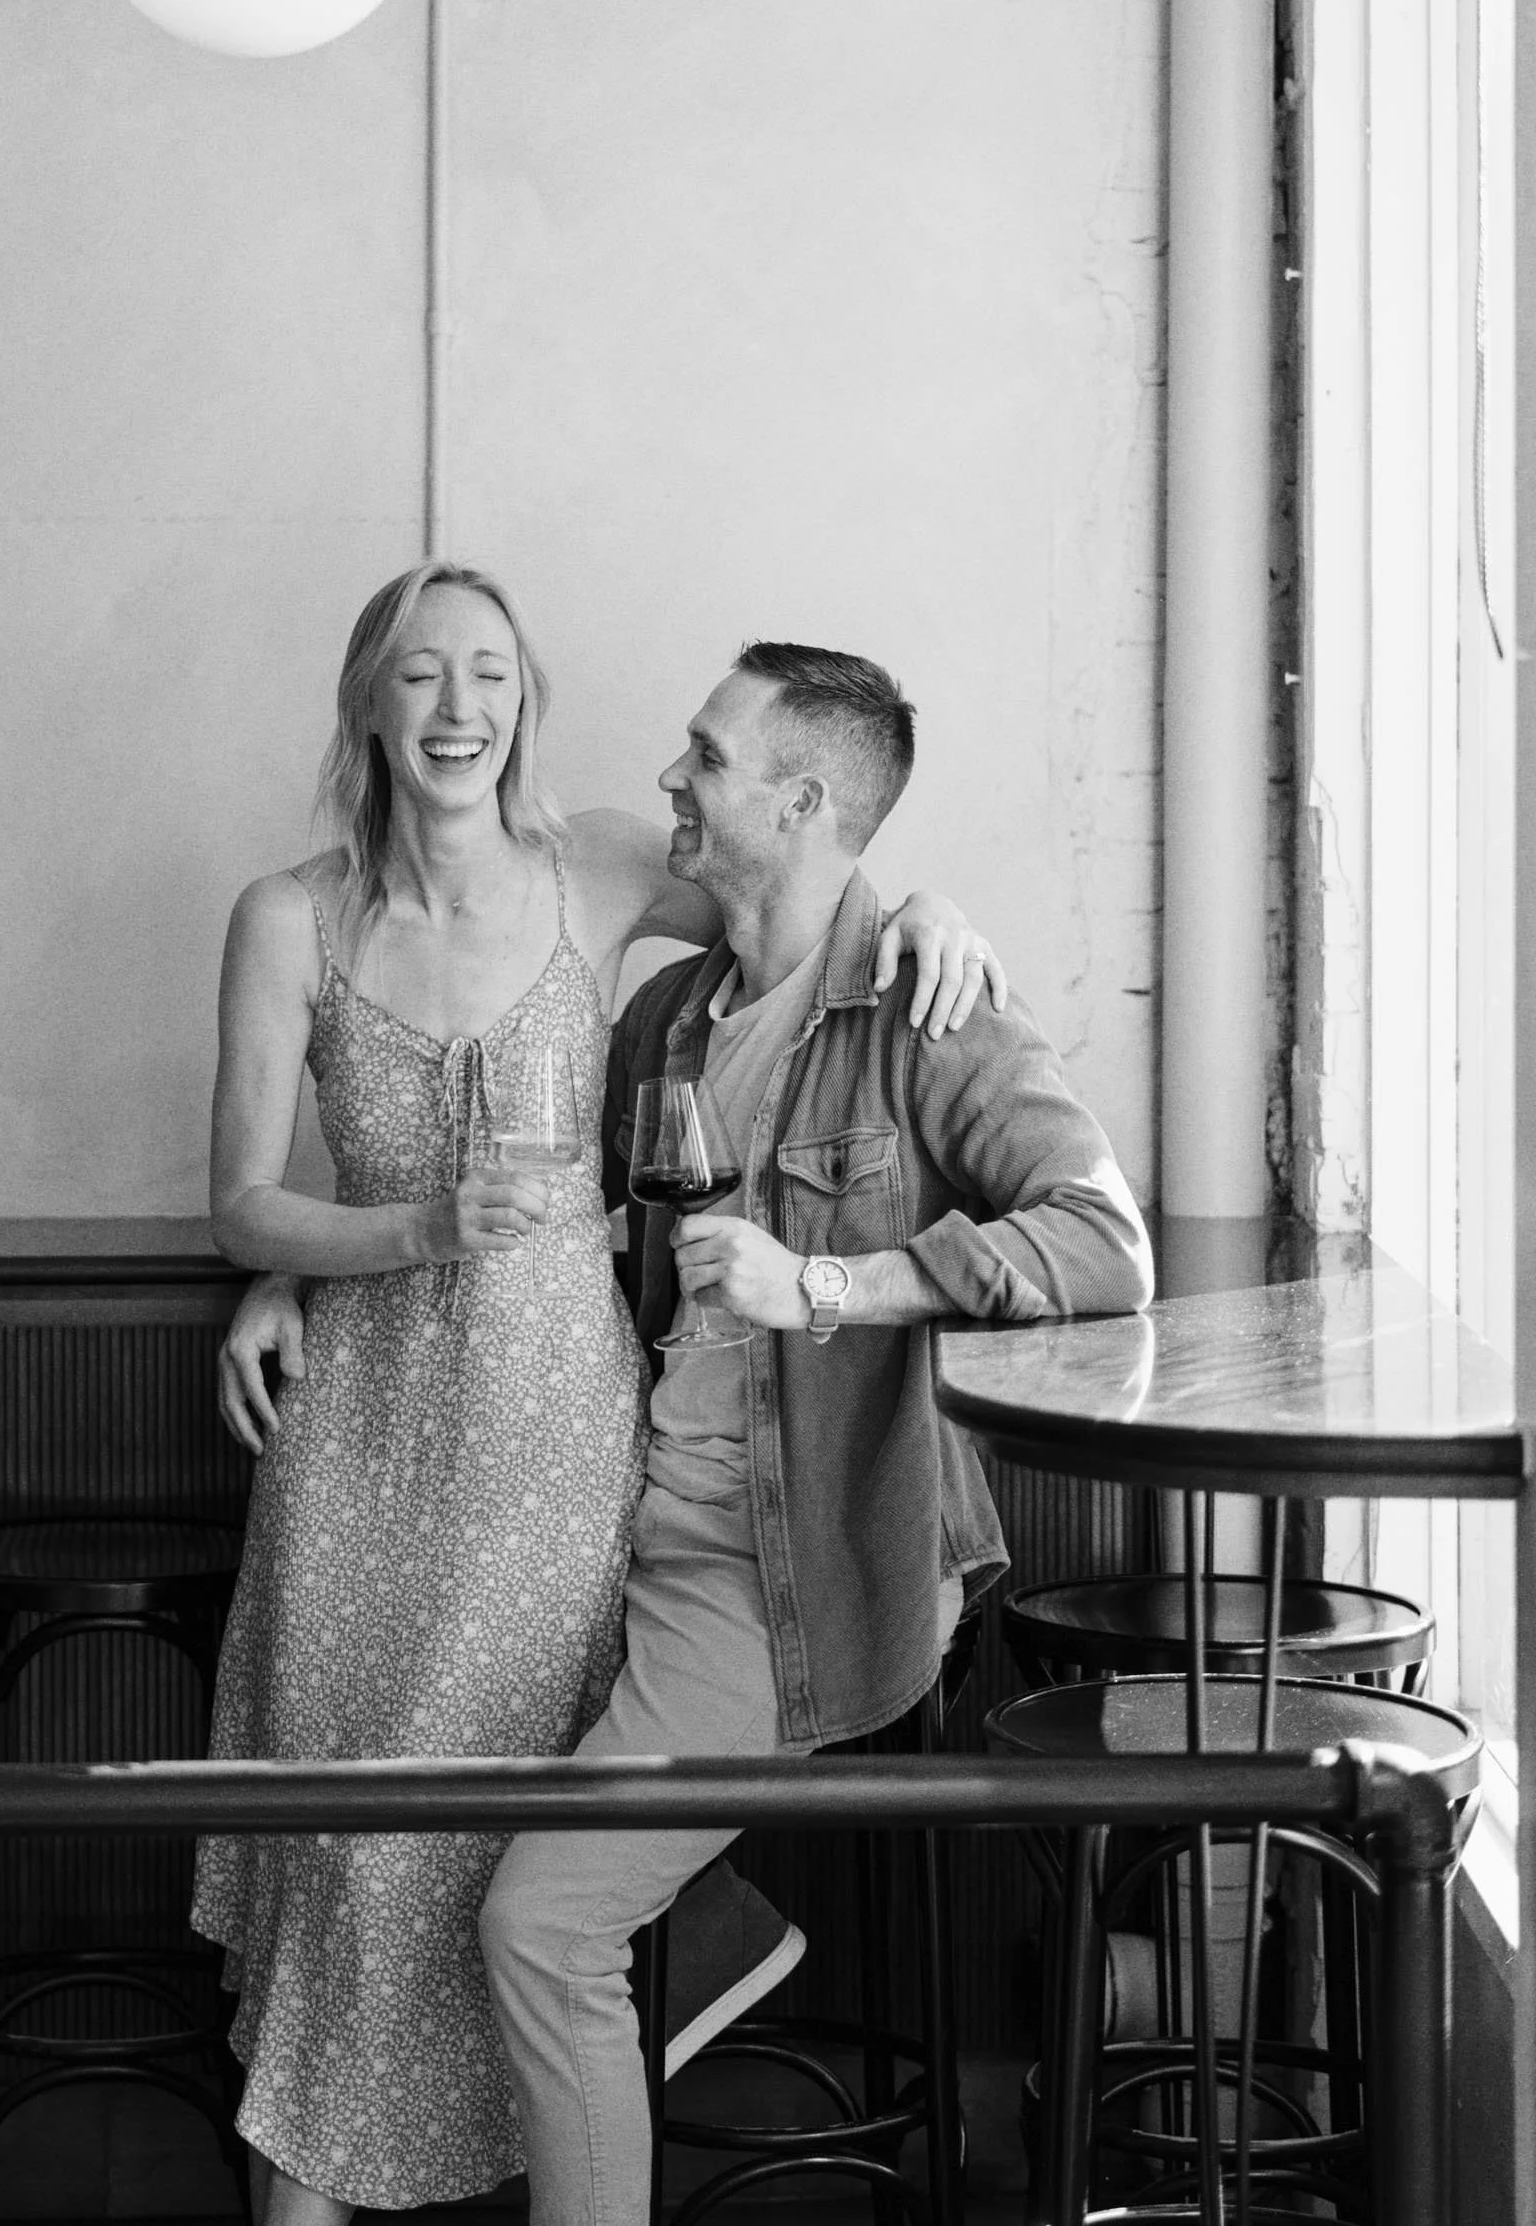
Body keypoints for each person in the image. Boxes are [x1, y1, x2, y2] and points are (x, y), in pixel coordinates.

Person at [191, 563, 1004, 2226]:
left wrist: (932, 912)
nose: (460, 708)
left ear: (526, 702)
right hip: (354, 1442)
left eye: (491, 673)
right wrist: (377, 1241)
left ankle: (678, 1972)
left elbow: (804, 896)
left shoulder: (604, 867)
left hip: (559, 1440)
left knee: (476, 1859)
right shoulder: (287, 918)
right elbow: (242, 1205)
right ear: (368, 704)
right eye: (422, 674)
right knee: (338, 1861)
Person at [476, 638, 1155, 2226]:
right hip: (620, 1527)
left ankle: (693, 1921)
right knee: (412, 1779)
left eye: (708, 758)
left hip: (782, 1569)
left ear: (800, 804)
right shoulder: (669, 1017)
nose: (672, 776)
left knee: (539, 1928)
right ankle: (712, 1921)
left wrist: (831, 1284)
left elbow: (1109, 1242)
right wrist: (287, 1274)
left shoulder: (929, 1010)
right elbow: (554, 1239)